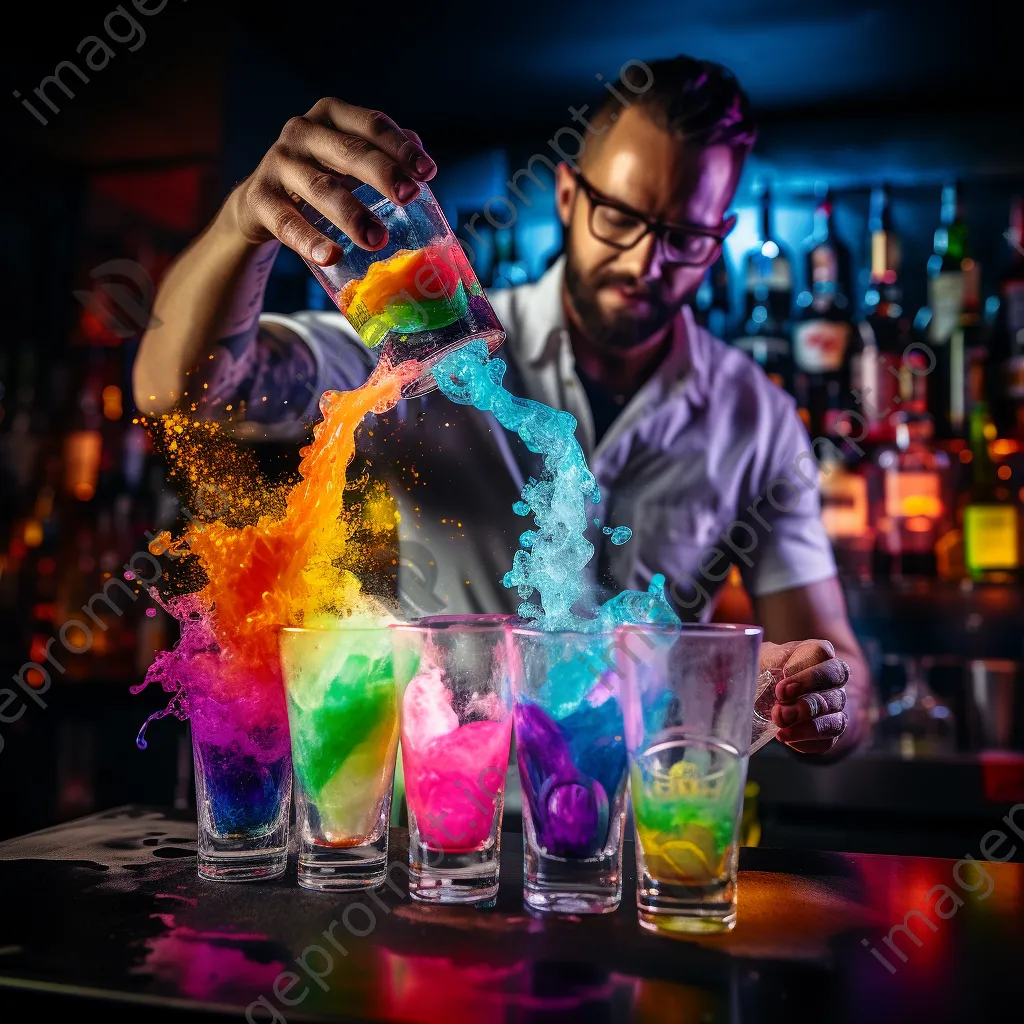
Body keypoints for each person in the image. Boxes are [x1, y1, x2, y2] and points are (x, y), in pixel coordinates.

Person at [133, 56, 870, 758]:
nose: (645, 262)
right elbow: (187, 391)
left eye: (684, 238)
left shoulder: (757, 417)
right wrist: (241, 225)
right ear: (569, 196)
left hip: (639, 842)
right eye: (620, 216)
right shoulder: (431, 339)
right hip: (434, 840)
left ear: (718, 245)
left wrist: (821, 697)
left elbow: (836, 663)